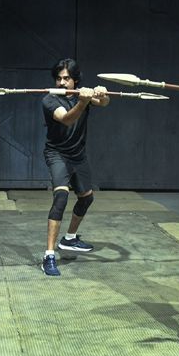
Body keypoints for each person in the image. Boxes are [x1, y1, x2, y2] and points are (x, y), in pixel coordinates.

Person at [40, 58, 109, 276]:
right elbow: (67, 119)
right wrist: (83, 101)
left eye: (66, 78)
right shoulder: (49, 99)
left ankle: (69, 239)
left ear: (75, 80)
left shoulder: (81, 95)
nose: (61, 83)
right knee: (61, 197)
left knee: (86, 198)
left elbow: (104, 103)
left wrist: (101, 94)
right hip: (57, 154)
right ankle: (49, 255)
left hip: (78, 156)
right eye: (59, 78)